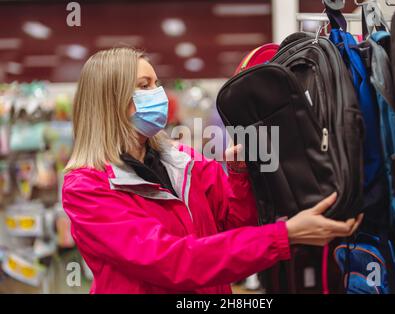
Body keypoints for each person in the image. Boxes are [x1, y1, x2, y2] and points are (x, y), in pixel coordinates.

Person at [62, 47, 363, 294]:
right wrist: (282, 236)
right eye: (144, 86)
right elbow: (172, 261)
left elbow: (234, 224)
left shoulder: (183, 160)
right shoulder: (87, 188)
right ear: (110, 100)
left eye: (156, 83)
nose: (159, 95)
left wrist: (240, 172)